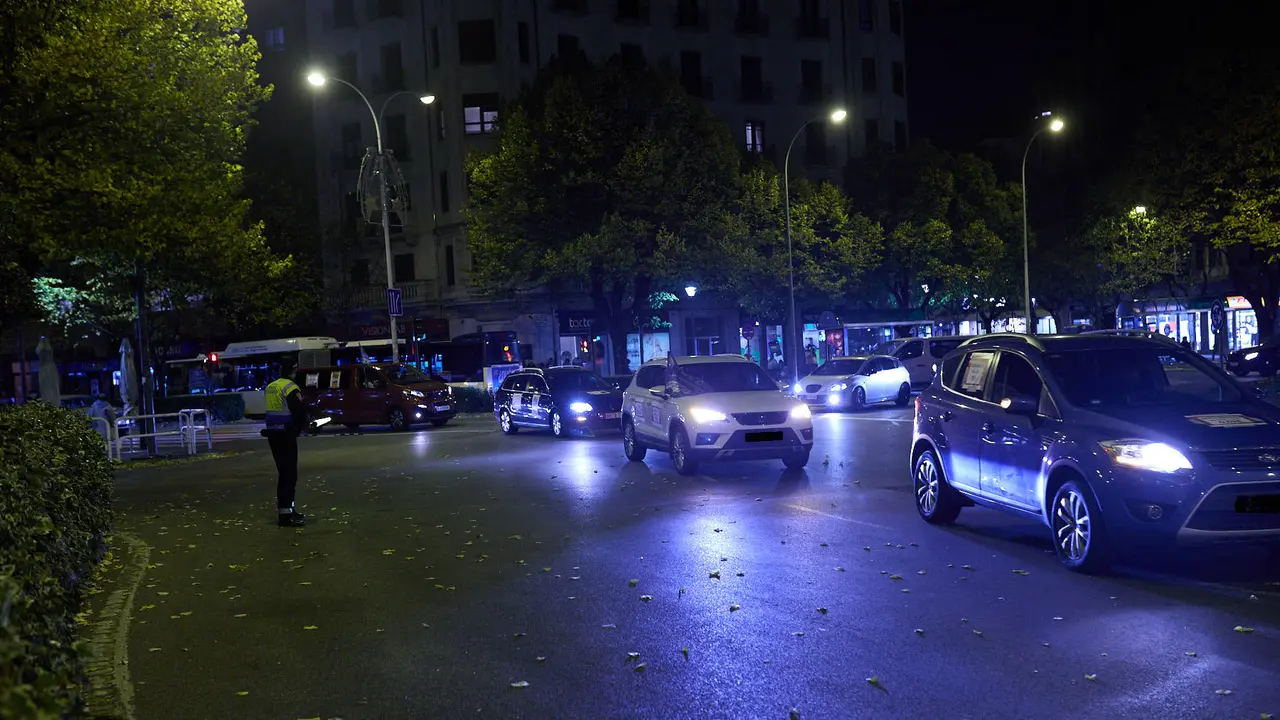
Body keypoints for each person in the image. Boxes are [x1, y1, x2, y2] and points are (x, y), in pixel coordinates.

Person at [262, 360, 309, 527]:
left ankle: (287, 511)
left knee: (283, 473)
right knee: (290, 475)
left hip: (273, 434)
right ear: (293, 372)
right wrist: (303, 427)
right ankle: (287, 515)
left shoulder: (271, 386)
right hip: (286, 434)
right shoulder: (290, 387)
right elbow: (298, 410)